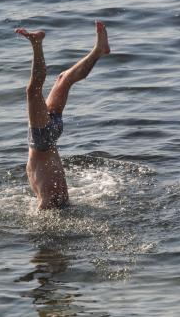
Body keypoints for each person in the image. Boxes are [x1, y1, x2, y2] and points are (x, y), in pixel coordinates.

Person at [15, 21, 110, 209]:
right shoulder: (52, 200)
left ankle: (97, 50)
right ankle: (96, 50)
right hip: (43, 142)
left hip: (47, 139)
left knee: (61, 80)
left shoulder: (53, 201)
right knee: (37, 89)